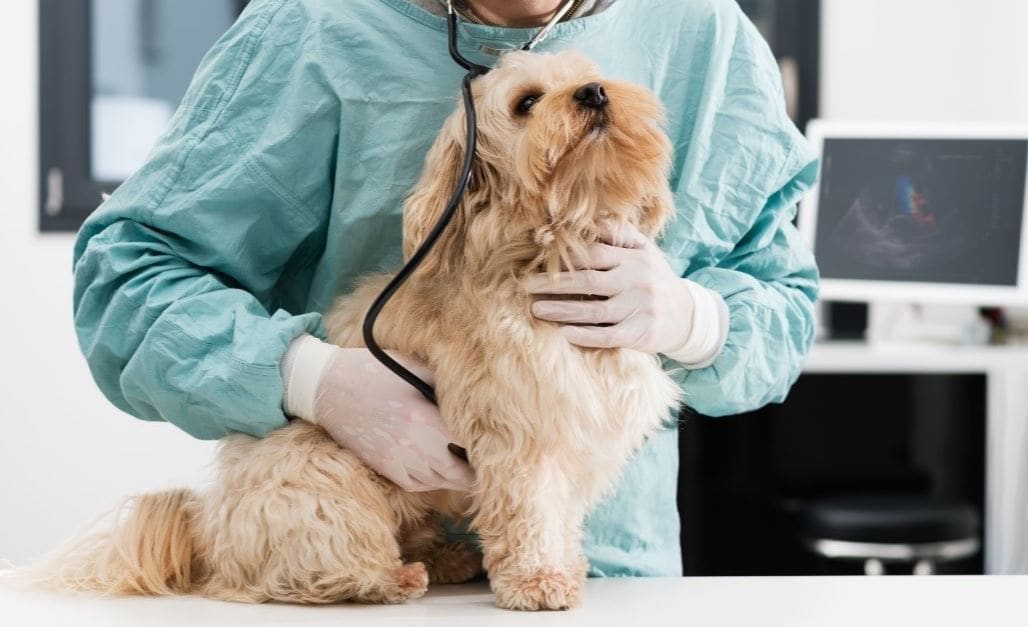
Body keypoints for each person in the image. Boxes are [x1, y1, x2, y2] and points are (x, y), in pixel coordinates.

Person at [72, 0, 819, 577]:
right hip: (354, 562)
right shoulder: (314, 28)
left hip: (608, 574)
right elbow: (129, 276)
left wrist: (695, 319)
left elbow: (781, 303)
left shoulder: (701, 32)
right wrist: (314, 378)